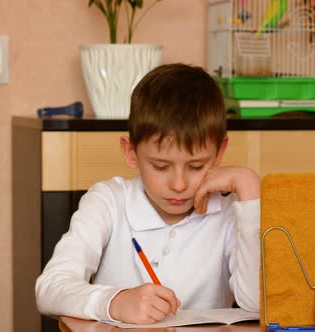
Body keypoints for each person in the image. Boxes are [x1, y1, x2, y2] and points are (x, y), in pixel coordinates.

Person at [35, 63, 261, 324]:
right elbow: (50, 289)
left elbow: (255, 304)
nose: (178, 184)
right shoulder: (108, 201)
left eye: (196, 166)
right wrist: (114, 302)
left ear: (220, 153)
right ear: (130, 152)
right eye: (161, 166)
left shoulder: (232, 211)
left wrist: (250, 188)